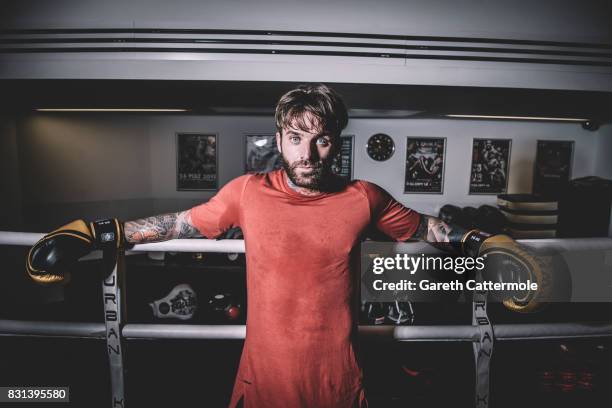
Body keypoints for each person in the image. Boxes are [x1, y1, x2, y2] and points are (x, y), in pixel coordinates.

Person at [26, 84, 549, 408]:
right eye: (296, 138)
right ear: (278, 139)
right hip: (266, 375)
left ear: (336, 141)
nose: (308, 152)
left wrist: (483, 240)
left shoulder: (364, 197)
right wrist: (99, 233)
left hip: (338, 376)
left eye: (320, 138)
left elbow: (424, 228)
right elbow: (180, 224)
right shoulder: (247, 192)